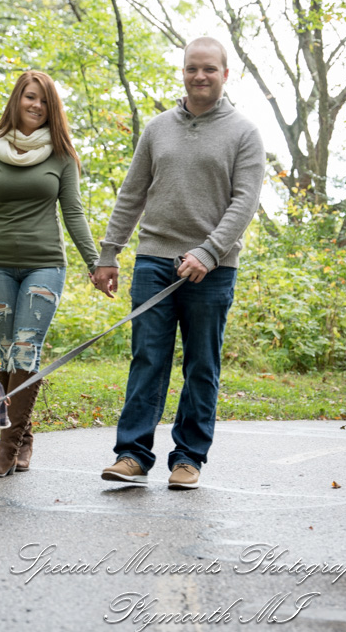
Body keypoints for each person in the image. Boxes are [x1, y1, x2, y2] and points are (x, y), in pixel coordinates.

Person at [93, 37, 265, 489]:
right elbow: (132, 194)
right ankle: (132, 454)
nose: (200, 76)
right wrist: (109, 253)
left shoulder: (244, 133)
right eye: (192, 68)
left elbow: (244, 202)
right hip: (153, 260)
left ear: (225, 75)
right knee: (147, 359)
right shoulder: (157, 129)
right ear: (183, 72)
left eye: (209, 69)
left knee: (201, 365)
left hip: (213, 269)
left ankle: (188, 458)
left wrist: (208, 252)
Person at [0, 69, 99, 477]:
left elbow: (73, 213)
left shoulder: (62, 156)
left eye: (44, 100)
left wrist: (95, 263)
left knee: (25, 349)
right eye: (29, 97)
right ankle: (22, 436)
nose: (36, 106)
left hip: (45, 265)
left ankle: (5, 446)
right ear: (16, 101)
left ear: (51, 107)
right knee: (8, 353)